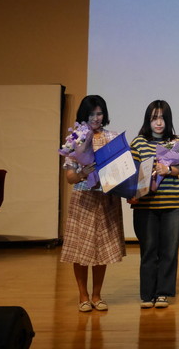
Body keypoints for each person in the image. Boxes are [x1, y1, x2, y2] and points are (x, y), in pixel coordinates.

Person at [60, 95, 126, 312]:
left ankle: (97, 295)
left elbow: (121, 168)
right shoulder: (75, 139)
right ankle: (83, 295)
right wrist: (83, 172)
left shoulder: (112, 137)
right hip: (83, 197)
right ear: (83, 115)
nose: (96, 118)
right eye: (91, 114)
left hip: (106, 197)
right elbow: (70, 177)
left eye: (99, 113)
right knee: (80, 248)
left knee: (101, 249)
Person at [129, 99, 179, 309]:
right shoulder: (138, 142)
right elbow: (131, 172)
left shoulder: (176, 142)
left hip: (172, 204)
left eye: (162, 118)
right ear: (148, 120)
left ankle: (163, 293)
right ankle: (147, 294)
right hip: (145, 206)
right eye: (154, 118)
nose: (159, 122)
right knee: (149, 250)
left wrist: (168, 170)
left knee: (169, 251)